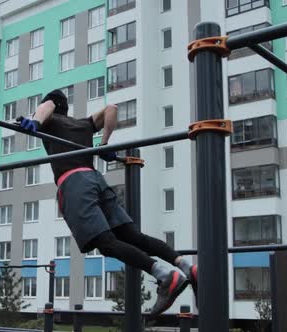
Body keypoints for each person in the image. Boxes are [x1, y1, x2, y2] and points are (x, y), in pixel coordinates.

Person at [18, 89, 198, 316]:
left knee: (106, 244)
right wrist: (104, 144)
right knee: (132, 236)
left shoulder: (49, 119)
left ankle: (164, 275)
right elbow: (111, 109)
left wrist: (35, 120)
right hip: (96, 180)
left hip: (75, 184)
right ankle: (187, 267)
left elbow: (48, 106)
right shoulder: (82, 124)